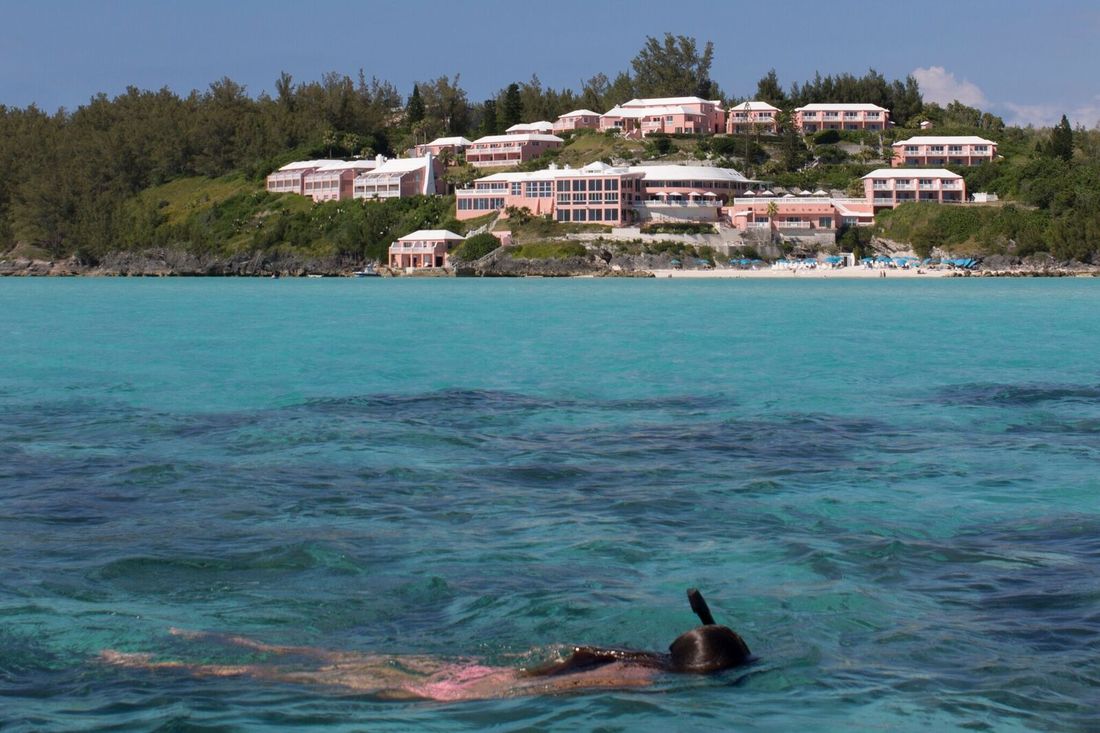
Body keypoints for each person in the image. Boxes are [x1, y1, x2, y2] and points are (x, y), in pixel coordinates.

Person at [100, 589, 752, 701]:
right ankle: (163, 661)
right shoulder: (642, 680)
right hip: (468, 691)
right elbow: (558, 691)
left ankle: (208, 639)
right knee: (306, 683)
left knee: (330, 665)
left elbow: (563, 665)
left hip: (475, 669)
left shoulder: (635, 653)